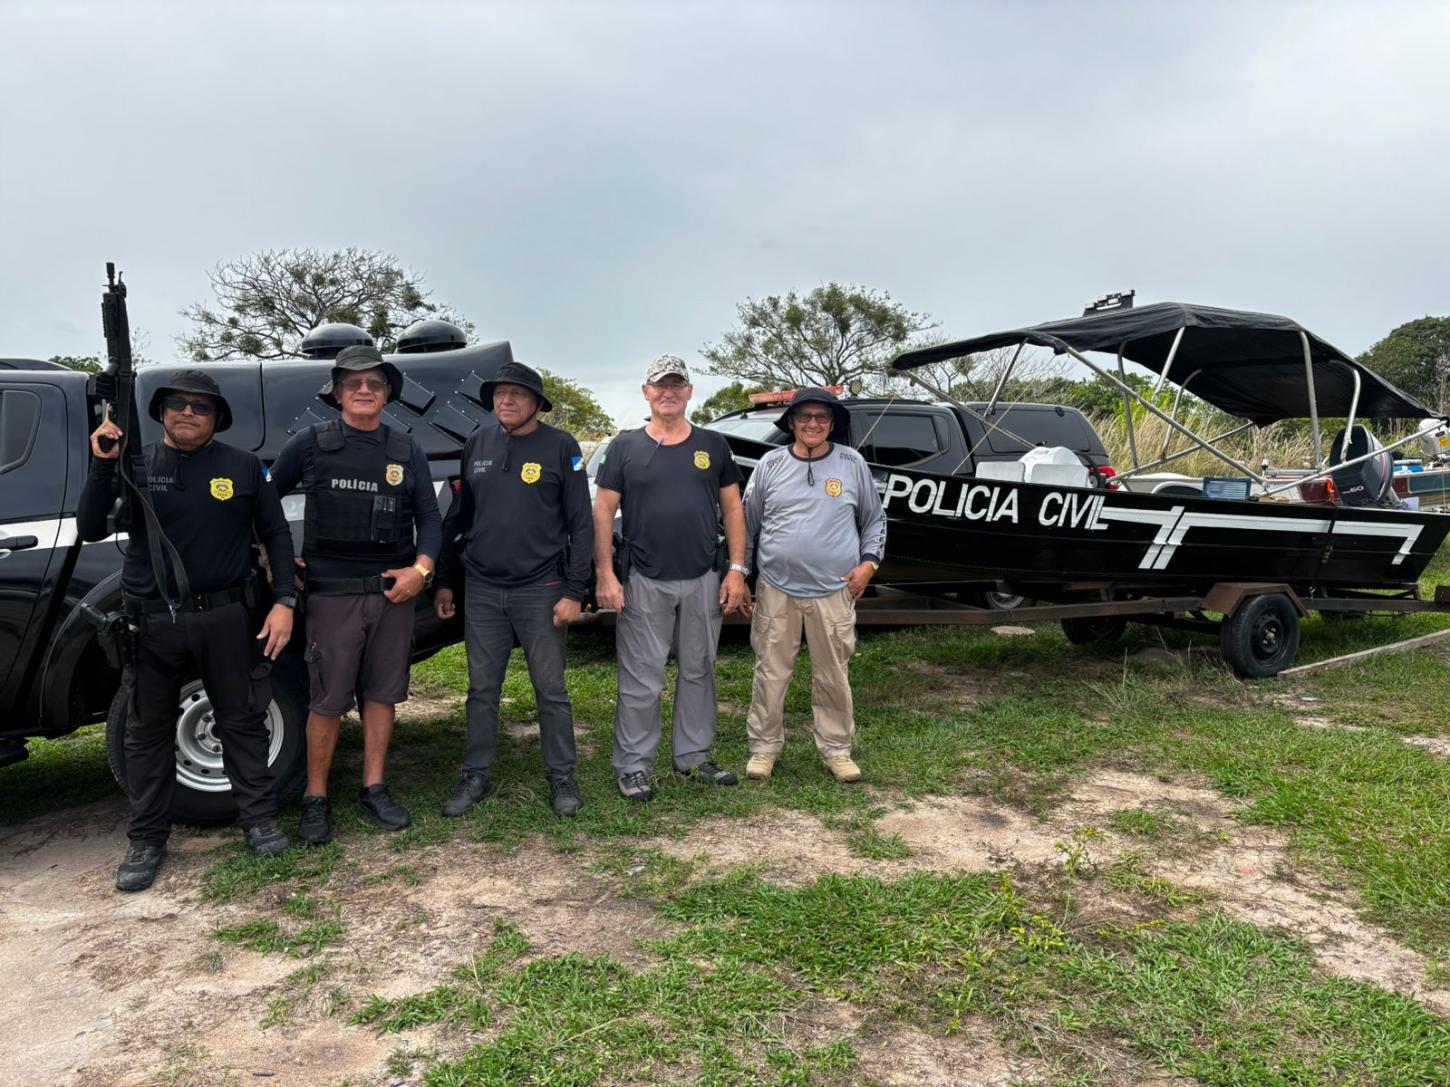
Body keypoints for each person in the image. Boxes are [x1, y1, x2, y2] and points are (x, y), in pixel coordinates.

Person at [78, 370, 297, 892]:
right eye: (177, 403)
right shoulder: (136, 464)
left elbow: (276, 534)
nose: (188, 412)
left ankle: (259, 820)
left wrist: (285, 601)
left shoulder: (244, 467)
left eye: (201, 406)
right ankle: (147, 838)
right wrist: (102, 464)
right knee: (147, 732)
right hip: (153, 621)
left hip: (226, 616)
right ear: (160, 412)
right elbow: (90, 527)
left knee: (242, 720)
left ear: (217, 417)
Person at [270, 345, 442, 844]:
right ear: (338, 393)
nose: (364, 391)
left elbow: (429, 519)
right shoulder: (308, 444)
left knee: (382, 695)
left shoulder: (405, 448)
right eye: (353, 384)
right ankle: (316, 798)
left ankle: (374, 788)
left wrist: (422, 570)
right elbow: (262, 504)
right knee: (327, 700)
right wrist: (272, 558)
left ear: (387, 394)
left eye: (374, 384)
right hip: (331, 597)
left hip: (393, 597)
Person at [434, 361, 592, 818]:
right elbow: (458, 517)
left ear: (536, 403)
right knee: (482, 689)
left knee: (551, 688)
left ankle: (562, 775)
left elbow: (581, 524)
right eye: (500, 393)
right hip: (482, 589)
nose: (506, 400)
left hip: (542, 589)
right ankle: (476, 774)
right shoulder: (477, 443)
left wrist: (574, 590)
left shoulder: (561, 446)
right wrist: (445, 579)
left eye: (517, 394)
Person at [593, 354, 750, 801]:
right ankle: (634, 765)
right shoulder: (624, 446)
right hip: (644, 577)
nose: (668, 392)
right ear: (646, 392)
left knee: (699, 670)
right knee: (642, 677)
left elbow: (733, 508)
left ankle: (694, 757)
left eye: (677, 385)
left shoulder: (713, 445)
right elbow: (603, 511)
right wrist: (606, 574)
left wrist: (736, 570)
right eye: (660, 385)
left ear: (689, 392)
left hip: (703, 575)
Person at [740, 387, 887, 783]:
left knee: (833, 674)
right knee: (771, 671)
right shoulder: (769, 465)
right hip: (776, 587)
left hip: (834, 589)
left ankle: (837, 751)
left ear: (832, 424)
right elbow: (748, 525)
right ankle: (763, 749)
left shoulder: (851, 463)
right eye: (804, 417)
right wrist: (741, 575)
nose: (812, 424)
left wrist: (869, 564)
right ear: (791, 423)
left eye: (821, 418)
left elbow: (874, 519)